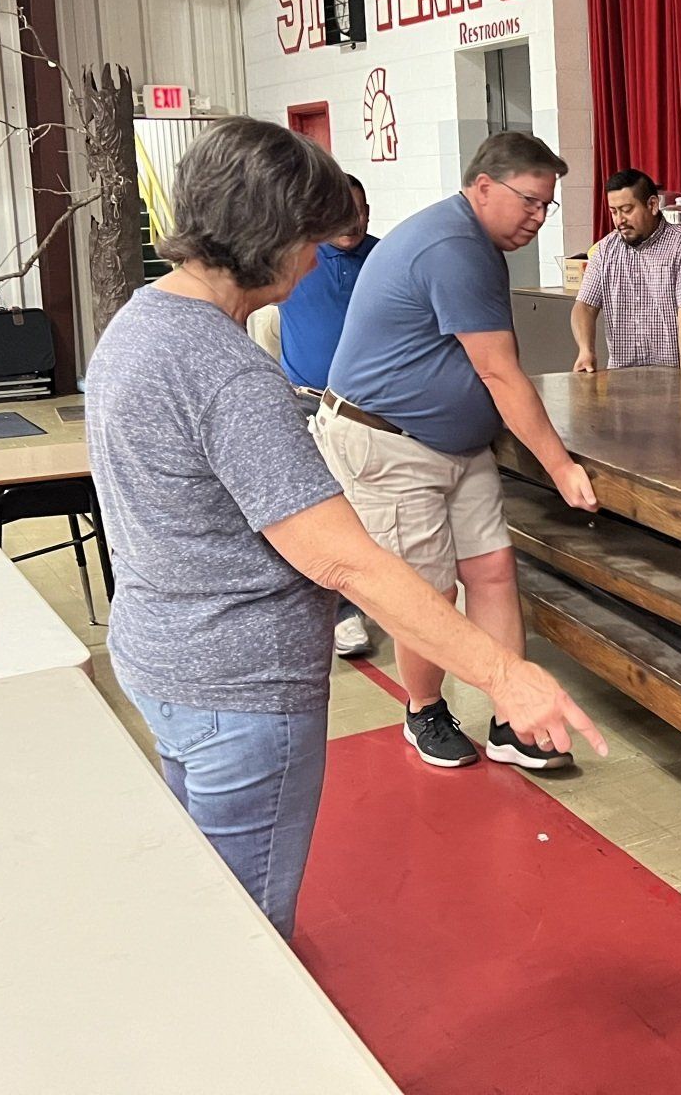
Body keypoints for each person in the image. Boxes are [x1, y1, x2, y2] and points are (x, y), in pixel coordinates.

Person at [85, 118, 605, 939]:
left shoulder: (140, 322)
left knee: (209, 899)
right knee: (249, 929)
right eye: (310, 239)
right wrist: (505, 676)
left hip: (166, 656)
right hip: (240, 688)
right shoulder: (230, 373)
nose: (315, 260)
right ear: (271, 235)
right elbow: (347, 563)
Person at [316, 131, 601, 773]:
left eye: (547, 205)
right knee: (427, 591)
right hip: (390, 441)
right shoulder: (452, 245)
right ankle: (424, 709)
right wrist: (559, 466)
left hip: (457, 445)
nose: (538, 217)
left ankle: (512, 718)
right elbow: (499, 371)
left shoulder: (477, 241)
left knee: (493, 570)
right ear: (484, 187)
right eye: (529, 201)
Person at [277, 173, 380, 659]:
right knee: (319, 512)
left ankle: (369, 601)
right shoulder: (295, 259)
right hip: (306, 402)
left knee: (367, 510)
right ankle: (339, 614)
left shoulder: (386, 259)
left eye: (360, 210)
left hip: (370, 410)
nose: (353, 221)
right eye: (342, 210)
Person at [570, 170, 681, 375]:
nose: (620, 220)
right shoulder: (605, 251)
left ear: (652, 205)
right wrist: (585, 350)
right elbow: (584, 307)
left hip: (680, 373)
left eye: (627, 210)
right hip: (624, 378)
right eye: (614, 212)